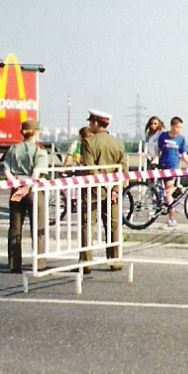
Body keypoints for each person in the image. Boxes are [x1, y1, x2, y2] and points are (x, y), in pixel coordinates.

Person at [80, 109, 128, 272]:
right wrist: (115, 189)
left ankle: (86, 262)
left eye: (90, 122)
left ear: (95, 124)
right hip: (112, 193)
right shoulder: (117, 143)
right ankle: (114, 260)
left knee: (88, 225)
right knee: (113, 226)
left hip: (94, 192)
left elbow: (90, 169)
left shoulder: (88, 143)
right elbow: (123, 170)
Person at [2, 120, 49, 273]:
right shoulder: (39, 150)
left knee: (15, 228)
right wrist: (27, 187)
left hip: (16, 188)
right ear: (35, 133)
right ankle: (39, 263)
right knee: (38, 227)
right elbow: (36, 173)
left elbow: (6, 170)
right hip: (33, 190)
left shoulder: (13, 149)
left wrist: (17, 186)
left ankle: (14, 264)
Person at [157, 116, 188, 228]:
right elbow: (159, 149)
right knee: (162, 191)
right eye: (178, 127)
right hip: (163, 164)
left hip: (173, 165)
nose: (179, 129)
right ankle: (166, 209)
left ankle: (171, 217)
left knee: (168, 191)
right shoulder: (163, 136)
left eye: (181, 127)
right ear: (172, 126)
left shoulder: (181, 139)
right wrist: (155, 159)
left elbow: (183, 155)